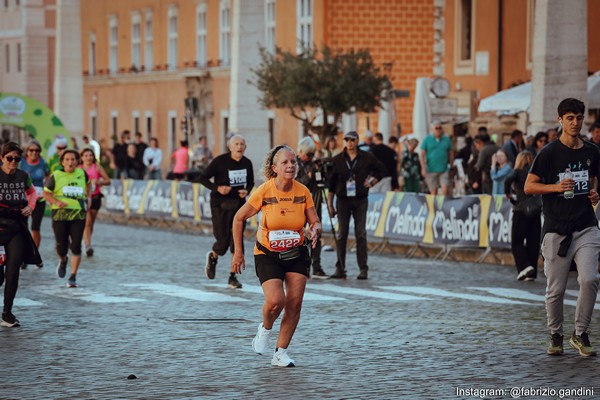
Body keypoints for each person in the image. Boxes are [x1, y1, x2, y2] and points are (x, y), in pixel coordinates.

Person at [230, 145, 321, 367]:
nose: (291, 166)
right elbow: (238, 218)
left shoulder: (303, 192)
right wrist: (238, 253)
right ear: (275, 168)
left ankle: (280, 352)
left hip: (297, 253)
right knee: (275, 301)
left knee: (295, 303)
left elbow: (315, 221)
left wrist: (316, 230)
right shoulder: (264, 191)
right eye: (285, 162)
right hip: (267, 254)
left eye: (293, 162)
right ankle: (265, 328)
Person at [524, 98, 600, 357]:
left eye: (579, 117)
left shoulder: (592, 151)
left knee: (589, 279)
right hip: (556, 228)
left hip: (586, 225)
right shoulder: (548, 153)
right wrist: (556, 187)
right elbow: (529, 186)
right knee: (555, 289)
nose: (575, 122)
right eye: (570, 118)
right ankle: (555, 333)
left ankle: (581, 333)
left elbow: (594, 180)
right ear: (560, 121)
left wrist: (595, 194)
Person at [326, 131, 386, 280]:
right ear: (344, 142)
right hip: (343, 199)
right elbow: (331, 185)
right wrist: (330, 204)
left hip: (360, 199)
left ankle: (363, 269)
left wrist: (372, 182)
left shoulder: (366, 157)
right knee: (342, 235)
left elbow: (382, 170)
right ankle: (340, 268)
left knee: (361, 234)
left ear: (358, 141)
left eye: (352, 140)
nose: (350, 142)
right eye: (347, 140)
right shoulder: (337, 160)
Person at [198, 134, 254, 289]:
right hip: (220, 204)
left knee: (237, 241)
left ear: (245, 147)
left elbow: (251, 182)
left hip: (239, 205)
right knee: (222, 242)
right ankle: (213, 256)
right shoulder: (220, 161)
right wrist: (218, 188)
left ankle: (232, 277)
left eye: (242, 144)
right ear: (230, 147)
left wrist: (247, 191)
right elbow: (202, 178)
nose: (239, 146)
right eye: (236, 144)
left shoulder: (247, 163)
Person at [0, 142, 41, 327]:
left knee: (13, 271)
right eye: (9, 158)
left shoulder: (24, 176)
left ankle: (7, 314)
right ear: (2, 158)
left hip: (17, 227)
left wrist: (30, 207)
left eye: (17, 159)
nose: (13, 162)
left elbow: (32, 193)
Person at [44, 149, 91, 288]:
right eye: (67, 159)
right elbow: (46, 194)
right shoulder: (56, 175)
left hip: (78, 214)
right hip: (60, 214)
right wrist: (56, 202)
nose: (70, 162)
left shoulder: (82, 173)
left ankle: (73, 276)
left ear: (77, 161)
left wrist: (89, 197)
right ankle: (63, 259)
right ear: (62, 162)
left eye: (73, 159)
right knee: (61, 246)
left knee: (76, 245)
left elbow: (89, 184)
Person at [504, 151, 541, 282]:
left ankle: (525, 266)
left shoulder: (517, 172)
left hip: (520, 209)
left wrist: (508, 194)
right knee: (533, 242)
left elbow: (507, 179)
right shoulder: (536, 173)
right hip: (535, 210)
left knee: (517, 241)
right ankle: (531, 272)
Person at [295, 136, 328, 278]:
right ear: (301, 151)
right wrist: (308, 176)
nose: (310, 157)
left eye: (312, 154)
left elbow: (322, 183)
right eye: (308, 154)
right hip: (299, 204)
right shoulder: (294, 164)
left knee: (316, 233)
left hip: (314, 202)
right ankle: (302, 265)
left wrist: (320, 170)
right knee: (300, 235)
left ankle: (317, 265)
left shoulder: (314, 164)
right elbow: (296, 183)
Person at [19, 140, 49, 268]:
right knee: (23, 229)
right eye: (31, 150)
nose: (34, 153)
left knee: (35, 229)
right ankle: (23, 256)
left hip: (39, 200)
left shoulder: (43, 163)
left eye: (37, 150)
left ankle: (34, 255)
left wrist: (45, 187)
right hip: (23, 200)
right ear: (27, 152)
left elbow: (48, 177)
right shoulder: (21, 163)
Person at [80, 148, 111, 257]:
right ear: (82, 157)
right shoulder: (79, 169)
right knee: (87, 222)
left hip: (96, 197)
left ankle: (86, 241)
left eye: (90, 155)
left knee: (91, 223)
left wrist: (99, 182)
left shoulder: (97, 167)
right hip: (83, 198)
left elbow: (108, 181)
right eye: (86, 155)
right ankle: (88, 246)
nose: (89, 157)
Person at [420, 122, 453, 196]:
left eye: (440, 128)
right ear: (432, 129)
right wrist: (423, 168)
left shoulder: (446, 139)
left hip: (444, 169)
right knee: (434, 192)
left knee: (445, 190)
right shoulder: (427, 139)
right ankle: (434, 207)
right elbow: (422, 155)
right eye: (436, 128)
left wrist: (451, 166)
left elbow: (450, 154)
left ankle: (444, 206)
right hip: (431, 169)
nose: (438, 130)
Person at [474, 130, 500, 194]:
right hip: (499, 176)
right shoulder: (498, 147)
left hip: (487, 178)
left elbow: (479, 165)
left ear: (480, 142)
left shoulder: (484, 150)